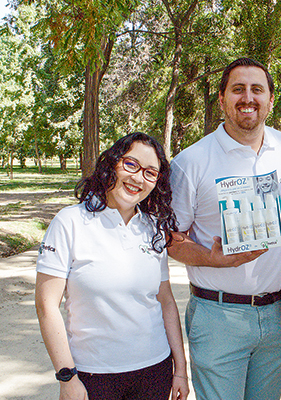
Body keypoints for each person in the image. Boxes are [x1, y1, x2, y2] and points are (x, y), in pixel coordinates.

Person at [168, 57, 281, 400]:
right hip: (219, 315)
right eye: (238, 89)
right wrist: (212, 258)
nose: (247, 98)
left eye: (256, 89)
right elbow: (172, 239)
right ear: (222, 99)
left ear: (270, 99)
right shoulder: (192, 161)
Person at [35, 132, 189, 400]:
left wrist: (180, 369)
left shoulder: (152, 228)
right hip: (92, 375)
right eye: (131, 165)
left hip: (155, 372)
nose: (138, 178)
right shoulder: (69, 222)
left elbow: (165, 301)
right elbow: (46, 305)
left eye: (151, 172)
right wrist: (66, 376)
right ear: (112, 164)